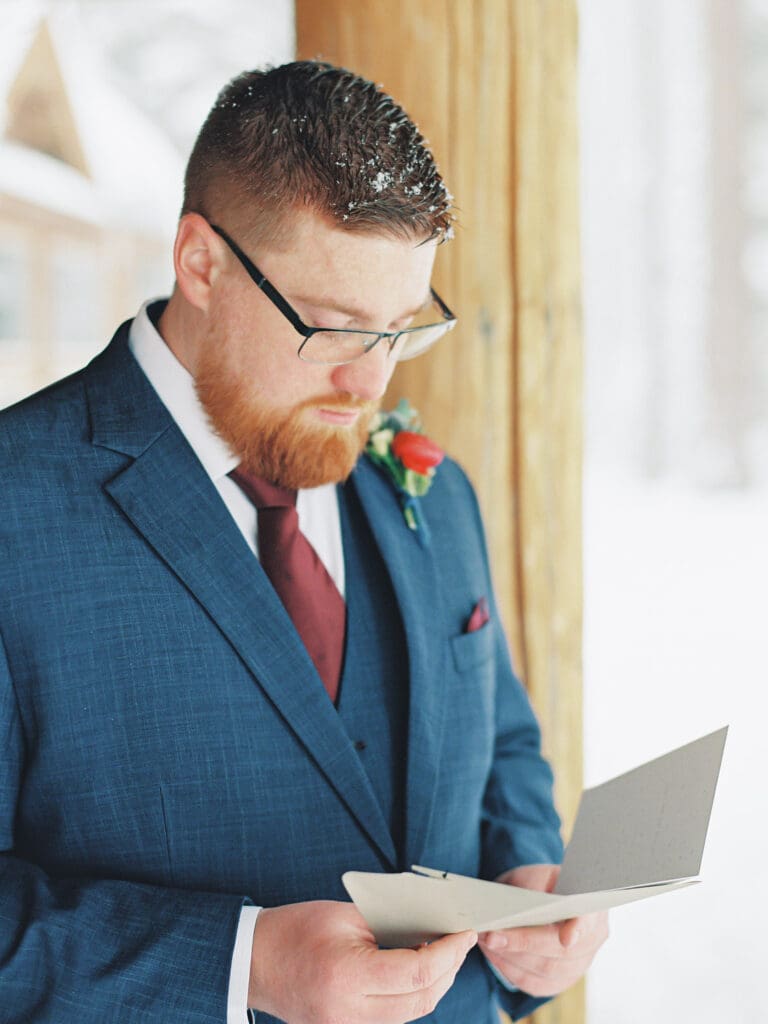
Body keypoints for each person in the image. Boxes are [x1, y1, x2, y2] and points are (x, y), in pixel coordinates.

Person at [0, 60, 607, 1023]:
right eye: (332, 328)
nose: (370, 388)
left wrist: (525, 872)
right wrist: (243, 964)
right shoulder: (12, 507)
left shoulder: (435, 490)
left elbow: (501, 744)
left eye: (403, 329)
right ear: (200, 262)